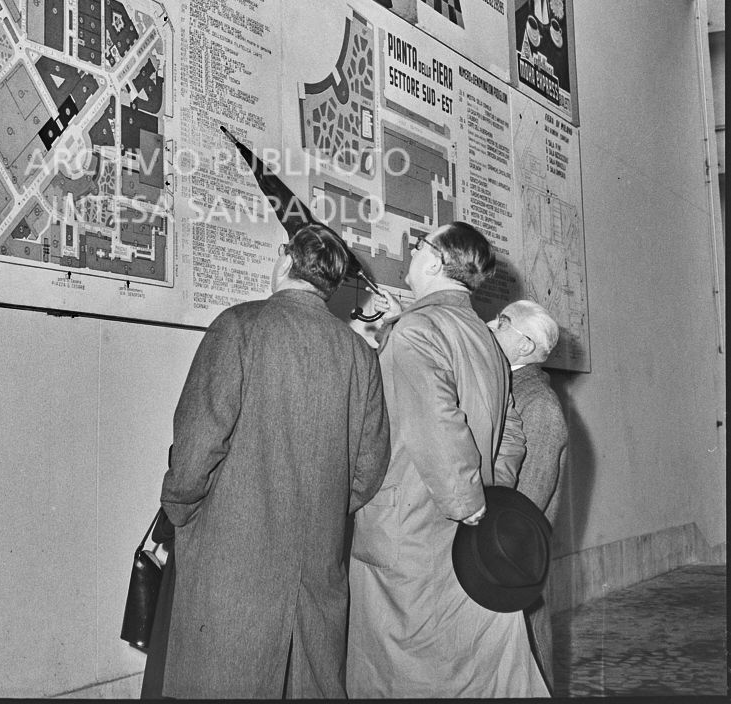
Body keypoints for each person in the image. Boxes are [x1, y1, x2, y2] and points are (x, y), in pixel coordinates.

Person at [154, 222, 391, 698]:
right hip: (316, 564)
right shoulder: (360, 355)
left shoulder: (238, 326)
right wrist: (321, 507)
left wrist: (179, 511)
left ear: (285, 260)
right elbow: (369, 468)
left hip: (231, 562)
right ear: (332, 284)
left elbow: (198, 444)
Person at [347, 221, 549, 698]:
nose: (412, 253)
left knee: (405, 673)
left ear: (436, 262)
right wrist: (488, 491)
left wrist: (468, 502)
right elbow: (512, 432)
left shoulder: (418, 331)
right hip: (467, 534)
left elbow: (437, 422)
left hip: (414, 533)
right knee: (470, 668)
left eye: (419, 246)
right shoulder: (483, 336)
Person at [490, 299, 568, 693]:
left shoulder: (539, 404)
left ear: (524, 345)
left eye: (501, 321)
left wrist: (494, 551)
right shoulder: (509, 387)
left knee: (530, 654)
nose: (490, 324)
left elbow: (529, 499)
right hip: (503, 549)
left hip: (514, 554)